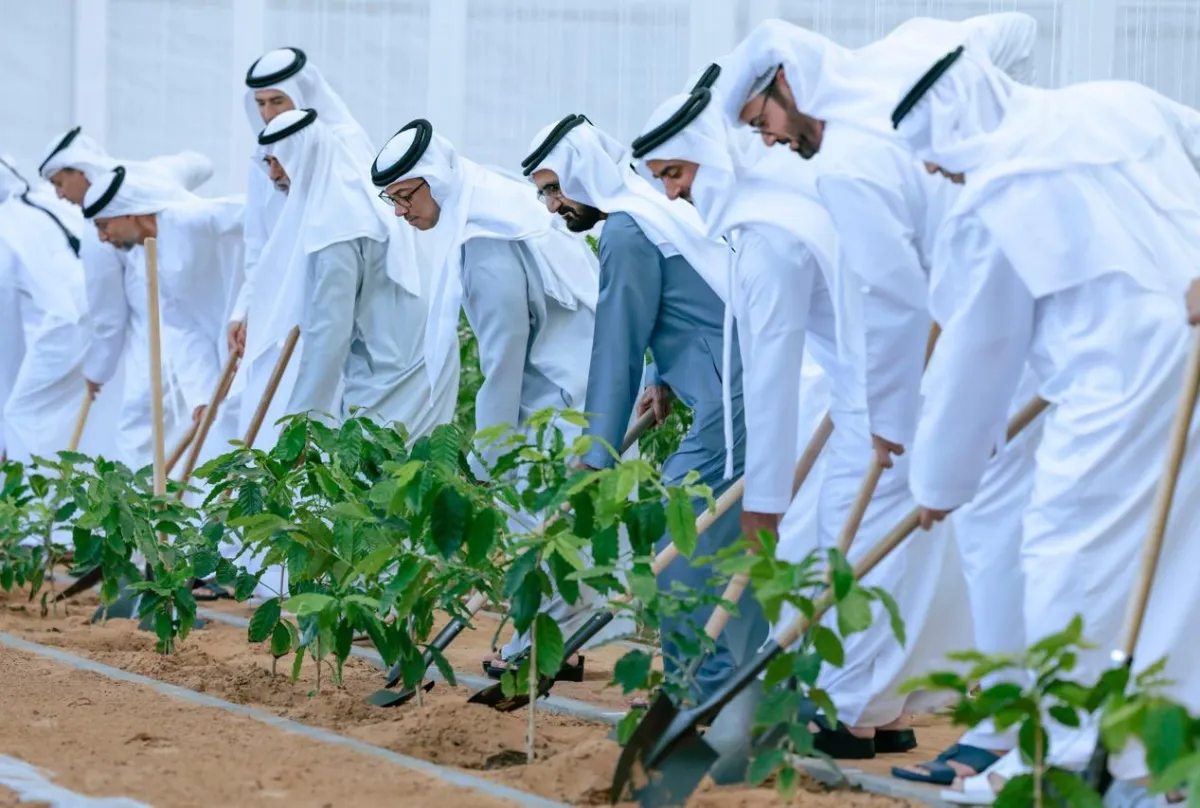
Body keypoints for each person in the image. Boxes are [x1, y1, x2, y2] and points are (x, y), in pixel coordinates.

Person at [717, 13, 1048, 771]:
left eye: (760, 118)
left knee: (999, 531)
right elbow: (1019, 28)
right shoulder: (906, 54)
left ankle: (1006, 732)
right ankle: (894, 709)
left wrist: (891, 427)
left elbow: (895, 300)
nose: (766, 138)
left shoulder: (848, 161)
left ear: (788, 82)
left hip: (999, 321)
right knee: (987, 530)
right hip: (992, 310)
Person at [892, 45, 1200, 804]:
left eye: (930, 153)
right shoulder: (1117, 100)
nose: (932, 172)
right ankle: (1158, 766)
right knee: (1180, 565)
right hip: (1184, 355)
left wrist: (938, 482)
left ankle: (1076, 763)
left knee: (1068, 566)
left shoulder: (997, 192)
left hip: (1115, 393)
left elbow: (977, 358)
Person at [632, 79, 969, 757]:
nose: (670, 193)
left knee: (837, 560)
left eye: (675, 172)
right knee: (873, 557)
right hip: (878, 391)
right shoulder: (779, 197)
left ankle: (845, 719)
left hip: (876, 403)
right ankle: (881, 712)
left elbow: (771, 381)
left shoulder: (765, 241)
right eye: (659, 178)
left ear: (710, 156)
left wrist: (762, 505)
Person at [522, 114, 766, 701]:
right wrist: (664, 376)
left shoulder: (627, 232)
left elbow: (617, 345)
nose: (552, 205)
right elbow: (693, 291)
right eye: (542, 193)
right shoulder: (651, 212)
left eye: (555, 187)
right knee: (731, 533)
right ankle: (728, 678)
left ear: (582, 172)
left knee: (680, 531)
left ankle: (701, 685)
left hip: (734, 397)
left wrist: (596, 453)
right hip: (743, 384)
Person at [373, 117, 601, 673]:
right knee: (564, 533)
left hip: (558, 399)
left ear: (437, 183)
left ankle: (540, 649)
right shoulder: (495, 208)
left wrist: (489, 450)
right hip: (579, 387)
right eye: (392, 201)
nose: (402, 213)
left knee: (537, 526)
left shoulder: (486, 240)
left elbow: (505, 353)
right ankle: (557, 645)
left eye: (406, 197)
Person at [246, 108, 455, 437]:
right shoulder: (351, 199)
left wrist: (298, 429)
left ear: (301, 156)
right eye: (267, 162)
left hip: (390, 376)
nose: (273, 175)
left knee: (374, 475)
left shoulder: (336, 226)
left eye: (278, 161)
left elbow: (329, 336)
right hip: (418, 358)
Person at [37, 127, 214, 469]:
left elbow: (109, 318)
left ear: (81, 171)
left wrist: (96, 373)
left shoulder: (96, 231)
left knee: (139, 432)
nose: (59, 195)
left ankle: (149, 516)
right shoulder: (150, 173)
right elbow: (201, 163)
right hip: (202, 322)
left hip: (158, 340)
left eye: (59, 183)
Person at [80, 165, 244, 459]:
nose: (103, 238)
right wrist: (203, 396)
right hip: (225, 354)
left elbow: (259, 216)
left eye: (104, 225)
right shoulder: (145, 260)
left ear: (129, 213)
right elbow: (180, 328)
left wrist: (247, 309)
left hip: (256, 331)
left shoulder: (189, 218)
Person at [229, 46, 376, 367]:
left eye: (277, 101)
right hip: (274, 304)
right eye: (260, 104)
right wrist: (246, 308)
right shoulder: (264, 156)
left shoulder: (343, 144)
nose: (268, 114)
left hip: (322, 306)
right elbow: (260, 242)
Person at [0, 156, 92, 466]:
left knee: (27, 427)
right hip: (96, 334)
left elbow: (6, 348)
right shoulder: (48, 206)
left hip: (60, 342)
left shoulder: (8, 233)